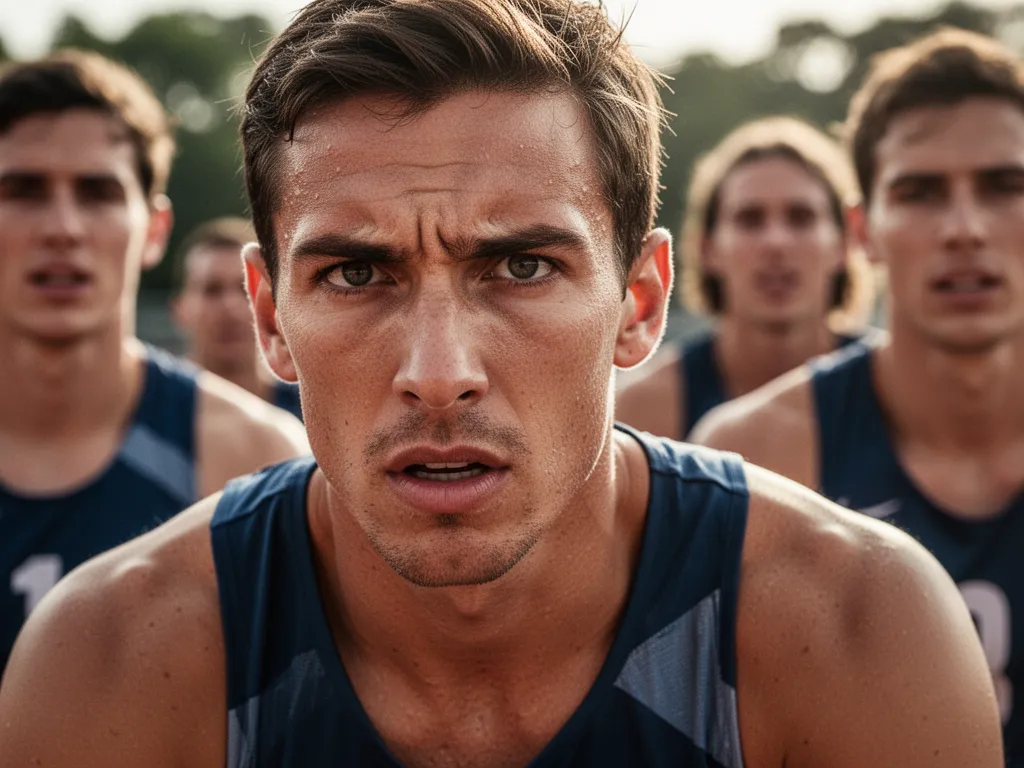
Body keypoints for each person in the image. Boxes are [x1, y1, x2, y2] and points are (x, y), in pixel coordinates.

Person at [0, 5, 1001, 767]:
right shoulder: (109, 662)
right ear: (270, 317)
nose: (440, 375)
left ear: (640, 302)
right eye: (356, 272)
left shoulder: (861, 627)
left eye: (521, 266)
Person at [692, 28, 1024, 763]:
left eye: (1006, 185)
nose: (965, 229)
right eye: (920, 192)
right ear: (861, 232)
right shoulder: (750, 454)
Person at [0, 50, 309, 670]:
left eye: (97, 192)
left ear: (155, 229)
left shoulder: (254, 458)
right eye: (23, 190)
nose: (63, 227)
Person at [616, 116, 872, 440]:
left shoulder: (903, 389)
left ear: (844, 242)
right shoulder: (644, 407)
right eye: (750, 219)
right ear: (707, 248)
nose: (775, 242)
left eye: (801, 217)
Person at [171, 217, 304, 421]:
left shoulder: (311, 409)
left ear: (273, 305)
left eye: (246, 289)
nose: (230, 307)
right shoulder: (149, 413)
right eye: (212, 290)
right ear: (180, 310)